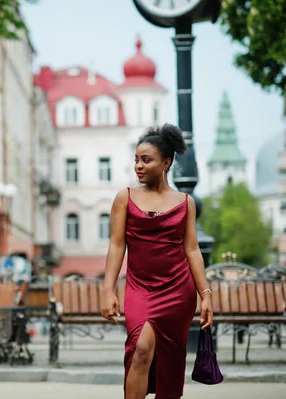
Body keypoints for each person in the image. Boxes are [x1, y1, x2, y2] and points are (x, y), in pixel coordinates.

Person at [101, 123, 214, 399]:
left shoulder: (185, 202)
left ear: (166, 163)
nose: (138, 166)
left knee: (171, 364)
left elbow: (192, 250)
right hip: (140, 290)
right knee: (140, 350)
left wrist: (205, 294)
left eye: (146, 160)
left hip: (178, 292)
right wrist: (108, 290)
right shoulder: (124, 198)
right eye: (136, 160)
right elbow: (116, 245)